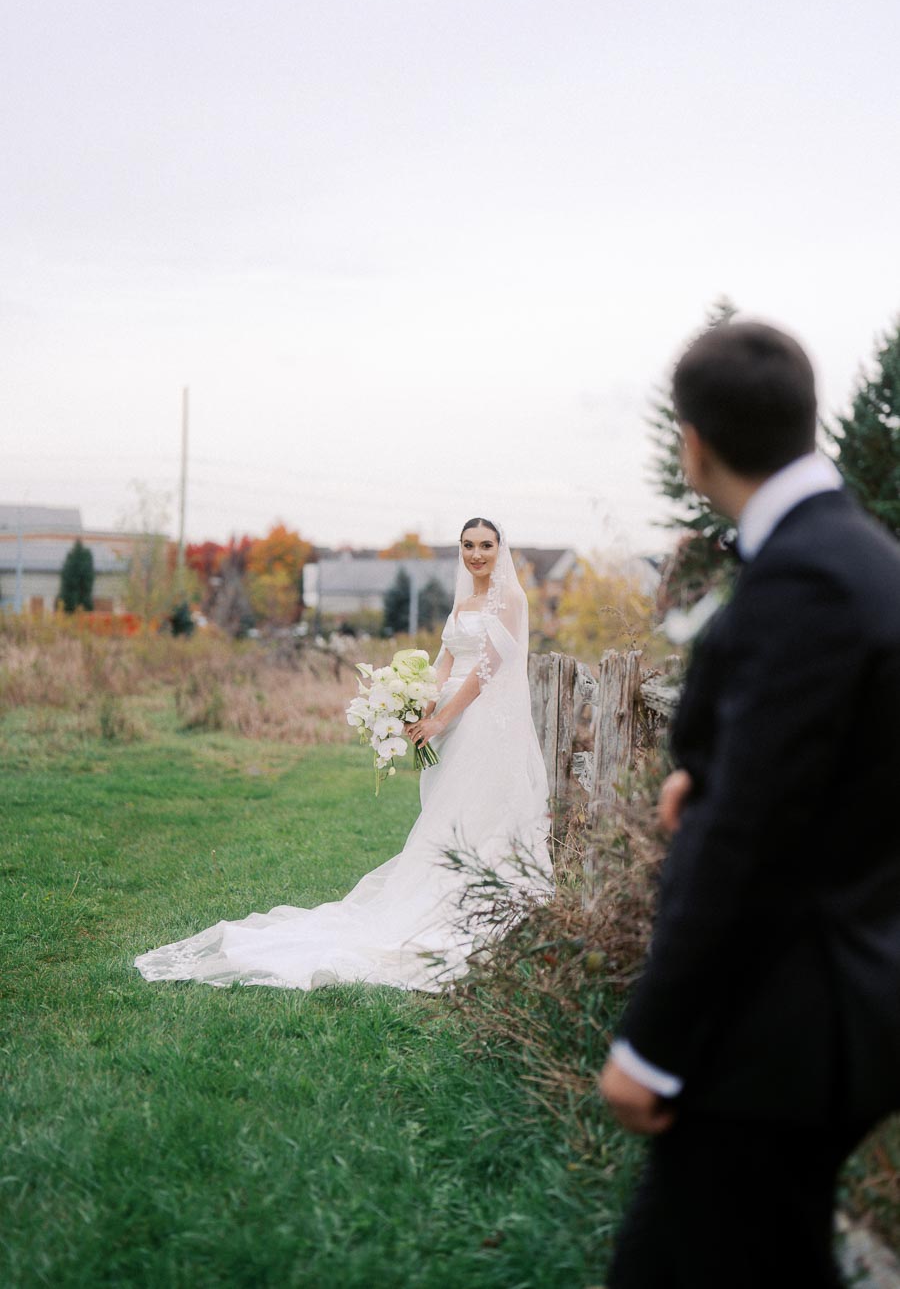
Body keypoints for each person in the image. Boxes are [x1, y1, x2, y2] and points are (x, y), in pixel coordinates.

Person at [599, 320, 900, 1287]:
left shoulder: (805, 578)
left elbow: (745, 846)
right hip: (844, 998)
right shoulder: (866, 558)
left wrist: (649, 1046)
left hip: (787, 1021)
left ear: (693, 443)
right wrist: (716, 767)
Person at [135, 518, 552, 991]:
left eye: (486, 546)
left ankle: (484, 903)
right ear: (460, 549)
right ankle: (446, 893)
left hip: (479, 723)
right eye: (468, 545)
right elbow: (446, 662)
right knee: (445, 814)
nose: (477, 554)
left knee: (478, 813)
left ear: (501, 549)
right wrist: (418, 705)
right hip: (445, 724)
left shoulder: (511, 601)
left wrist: (443, 717)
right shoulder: (463, 603)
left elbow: (487, 671)